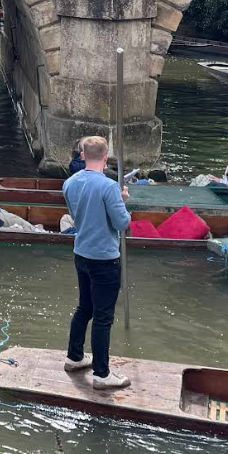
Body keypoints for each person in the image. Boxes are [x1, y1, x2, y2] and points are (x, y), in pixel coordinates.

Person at [61, 135, 131, 390]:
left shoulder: (69, 183)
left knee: (84, 308)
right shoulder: (109, 187)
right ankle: (101, 374)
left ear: (82, 155)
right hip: (104, 258)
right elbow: (122, 223)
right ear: (106, 158)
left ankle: (75, 356)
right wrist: (123, 201)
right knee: (103, 317)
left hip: (82, 253)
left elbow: (75, 215)